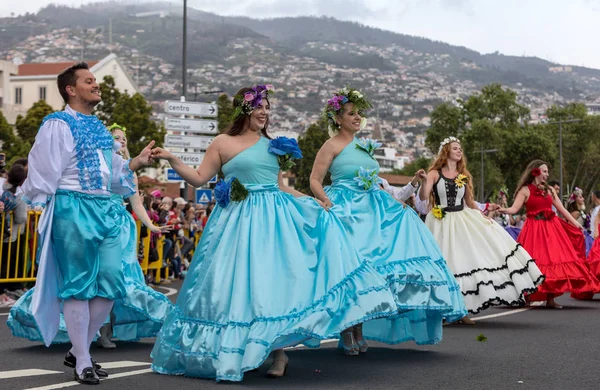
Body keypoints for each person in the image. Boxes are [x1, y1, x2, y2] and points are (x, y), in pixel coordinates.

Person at [149, 85, 397, 382]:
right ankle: (237, 349)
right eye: (259, 106)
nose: (265, 112)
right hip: (236, 224)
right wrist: (172, 159)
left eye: (267, 107)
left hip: (274, 222)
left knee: (272, 284)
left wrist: (311, 201)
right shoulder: (222, 142)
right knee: (236, 288)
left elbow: (280, 186)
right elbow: (200, 178)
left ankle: (278, 352)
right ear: (245, 109)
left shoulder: (274, 145)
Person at [15, 62, 155, 385]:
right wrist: (43, 201)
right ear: (71, 89)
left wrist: (136, 162)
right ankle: (82, 361)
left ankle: (80, 351)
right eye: (89, 81)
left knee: (110, 283)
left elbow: (114, 174)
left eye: (95, 80)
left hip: (105, 209)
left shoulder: (101, 128)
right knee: (78, 285)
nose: (96, 85)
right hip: (73, 208)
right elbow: (43, 171)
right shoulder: (57, 124)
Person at [310, 87, 466, 345]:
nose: (357, 117)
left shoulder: (364, 145)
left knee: (373, 268)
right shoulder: (330, 145)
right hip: (346, 210)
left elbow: (378, 183)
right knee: (354, 269)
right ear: (337, 118)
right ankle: (349, 328)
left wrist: (398, 201)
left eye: (359, 113)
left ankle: (358, 328)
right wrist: (326, 202)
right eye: (351, 113)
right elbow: (314, 180)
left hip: (374, 208)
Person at [417, 137, 544, 319]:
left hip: (462, 220)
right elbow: (423, 197)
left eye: (460, 149)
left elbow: (469, 201)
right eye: (455, 148)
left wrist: (484, 217)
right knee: (446, 263)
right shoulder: (434, 173)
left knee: (465, 262)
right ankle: (443, 309)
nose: (459, 151)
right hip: (440, 221)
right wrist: (423, 181)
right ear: (446, 151)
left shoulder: (464, 176)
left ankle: (464, 311)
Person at [499, 160, 600, 308]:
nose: (547, 174)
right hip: (533, 230)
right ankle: (527, 296)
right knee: (532, 260)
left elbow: (561, 209)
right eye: (544, 171)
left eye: (547, 172)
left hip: (551, 229)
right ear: (536, 171)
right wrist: (501, 210)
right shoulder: (525, 190)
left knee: (553, 260)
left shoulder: (550, 190)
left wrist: (575, 223)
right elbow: (514, 209)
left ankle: (550, 298)